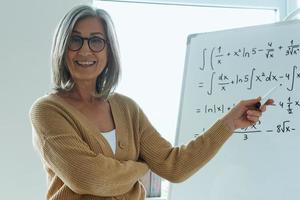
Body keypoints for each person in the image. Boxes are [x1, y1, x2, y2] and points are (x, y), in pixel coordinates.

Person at [29, 4, 274, 200]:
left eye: (96, 41)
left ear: (108, 50)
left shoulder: (127, 109)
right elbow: (88, 178)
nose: (85, 50)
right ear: (62, 48)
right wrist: (141, 167)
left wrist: (229, 122)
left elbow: (174, 166)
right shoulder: (48, 111)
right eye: (75, 40)